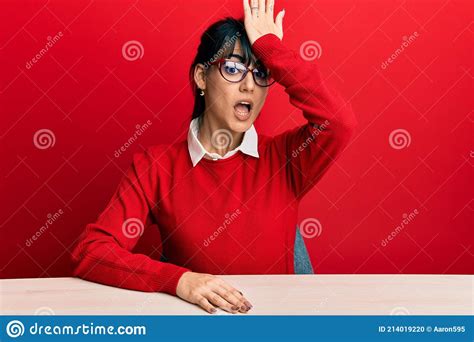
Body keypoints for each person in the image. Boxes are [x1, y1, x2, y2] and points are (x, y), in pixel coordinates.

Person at [72, 0, 357, 314]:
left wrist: (273, 50)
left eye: (262, 72)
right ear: (201, 77)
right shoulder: (156, 167)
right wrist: (180, 280)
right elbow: (92, 251)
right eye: (233, 68)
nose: (249, 85)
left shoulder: (287, 158)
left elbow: (339, 123)